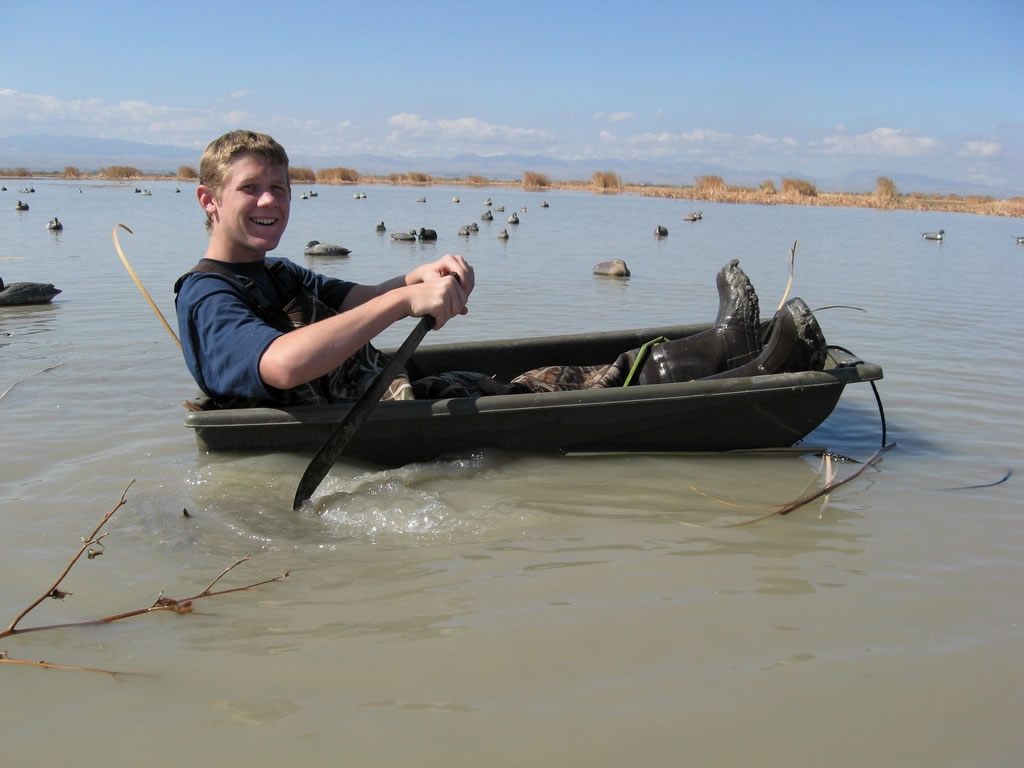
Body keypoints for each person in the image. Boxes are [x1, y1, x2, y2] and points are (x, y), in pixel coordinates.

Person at [176, 129, 827, 410]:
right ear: (210, 200)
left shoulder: (277, 271)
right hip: (386, 412)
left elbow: (357, 299)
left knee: (548, 378)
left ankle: (730, 347)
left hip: (394, 393)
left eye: (281, 188)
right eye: (252, 189)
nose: (271, 202)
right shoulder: (209, 298)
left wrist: (417, 278)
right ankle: (754, 371)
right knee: (560, 391)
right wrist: (404, 306)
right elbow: (283, 364)